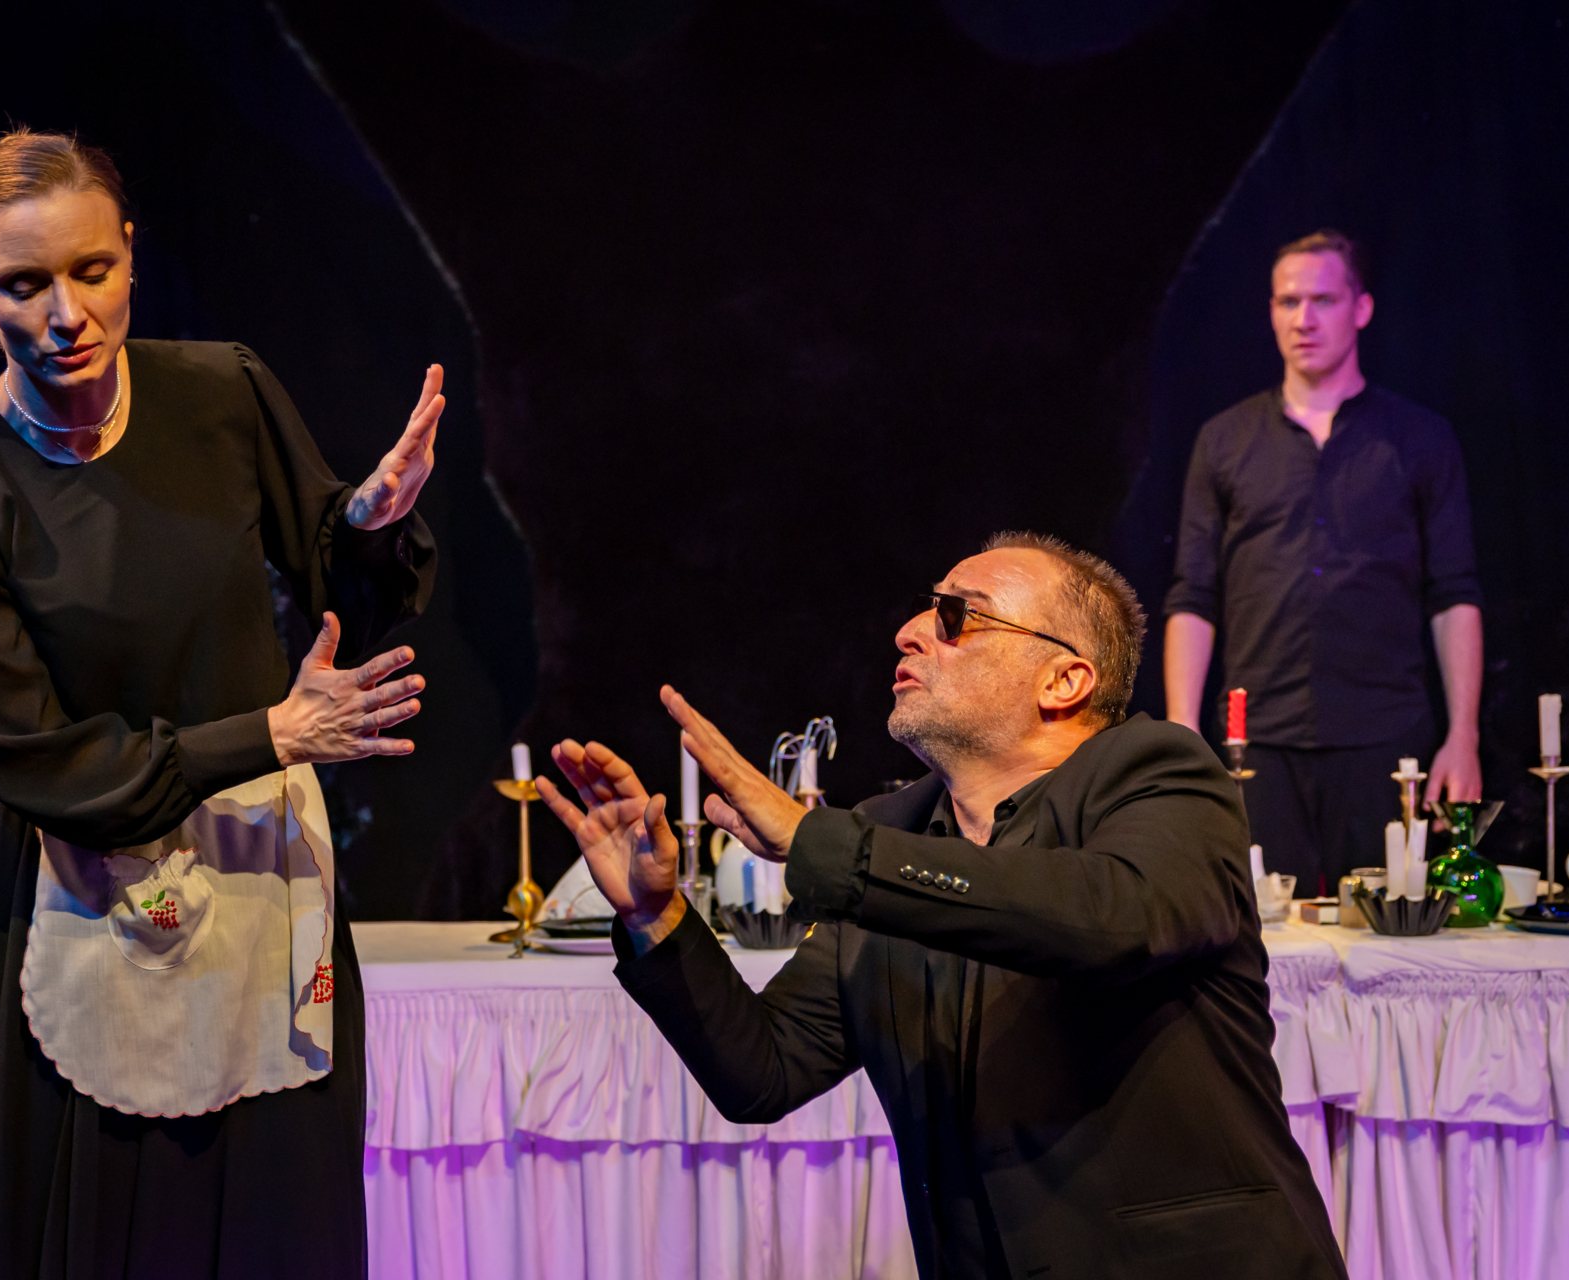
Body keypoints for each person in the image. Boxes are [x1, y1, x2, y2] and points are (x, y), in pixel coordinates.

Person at [0, 129, 441, 1279]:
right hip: (89, 906)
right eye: (24, 284)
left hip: (263, 886)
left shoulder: (221, 391)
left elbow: (341, 579)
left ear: (130, 250)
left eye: (93, 270)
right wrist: (273, 731)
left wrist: (369, 521)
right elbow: (41, 758)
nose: (66, 314)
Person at [536, 533, 1347, 1280]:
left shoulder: (1160, 772)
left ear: (1064, 680)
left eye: (958, 618)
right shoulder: (891, 834)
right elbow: (764, 1070)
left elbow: (1115, 917)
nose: (909, 633)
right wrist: (655, 916)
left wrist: (823, 844)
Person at [1163, 229, 1483, 896]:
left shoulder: (1419, 439)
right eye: (1288, 302)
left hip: (1384, 736)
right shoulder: (1225, 440)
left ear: (1361, 308)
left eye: (1323, 300)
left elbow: (1454, 595)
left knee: (1386, 933)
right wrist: (1182, 733)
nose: (1303, 319)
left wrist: (1464, 735)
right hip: (1257, 740)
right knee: (1255, 931)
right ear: (1270, 311)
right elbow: (1193, 596)